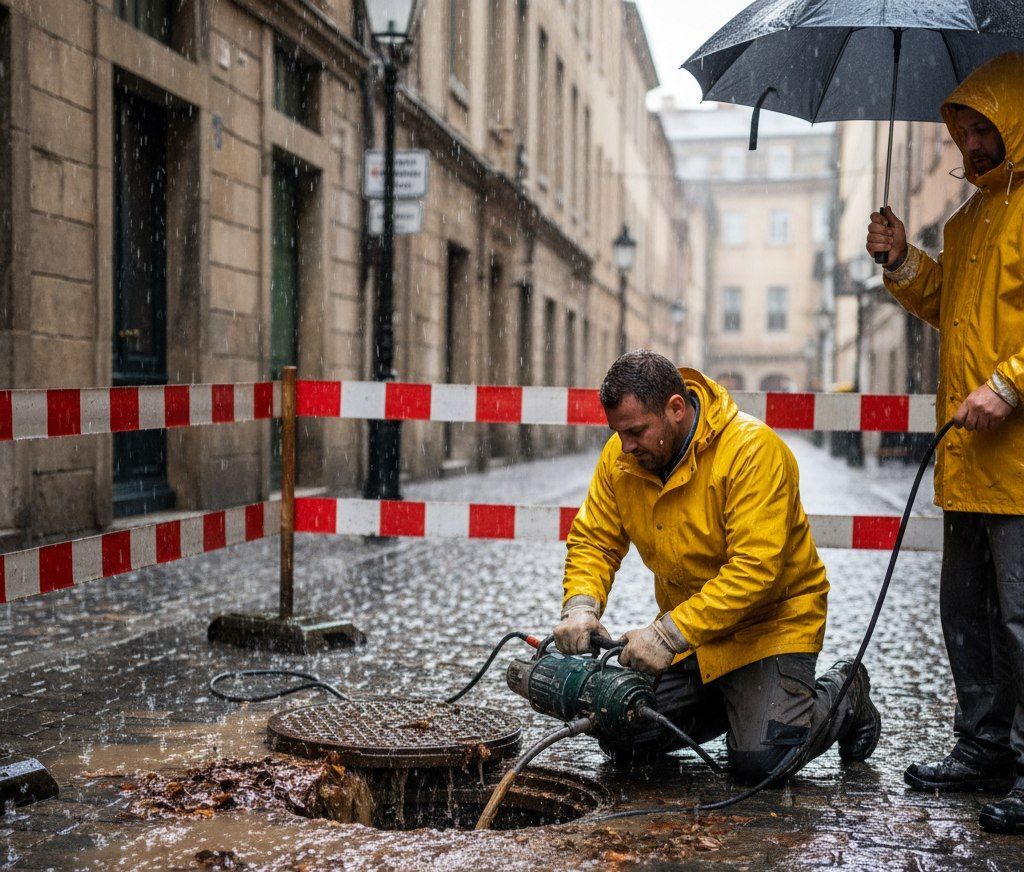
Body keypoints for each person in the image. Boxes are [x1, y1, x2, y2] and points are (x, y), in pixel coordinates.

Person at [552, 350, 881, 784]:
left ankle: (845, 691)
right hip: (694, 636)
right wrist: (580, 604)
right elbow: (595, 538)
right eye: (618, 432)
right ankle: (741, 705)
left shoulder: (751, 451)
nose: (625, 445)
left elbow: (756, 571)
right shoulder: (622, 456)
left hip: (769, 628)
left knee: (761, 764)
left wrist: (667, 635)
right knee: (621, 729)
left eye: (635, 431)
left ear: (675, 408)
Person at [865, 53, 1024, 834]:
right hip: (967, 462)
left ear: (1013, 122)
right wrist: (901, 260)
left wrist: (1012, 382)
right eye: (961, 128)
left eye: (983, 125)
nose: (970, 141)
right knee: (969, 615)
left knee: (1023, 620)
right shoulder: (965, 219)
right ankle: (984, 747)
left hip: (1022, 464)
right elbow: (949, 304)